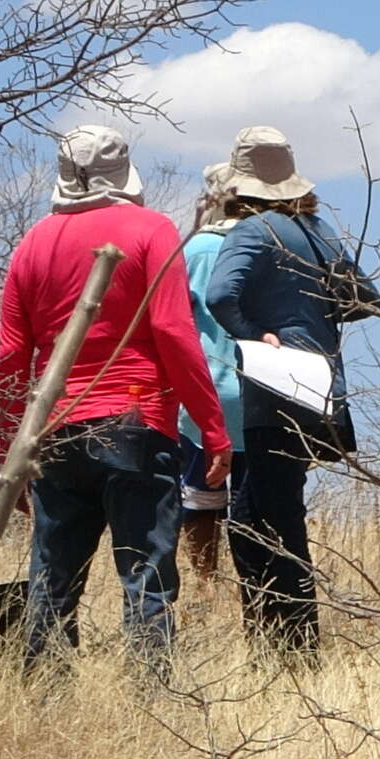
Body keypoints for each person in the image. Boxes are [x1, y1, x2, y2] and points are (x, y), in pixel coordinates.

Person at [0, 125, 230, 673]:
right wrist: (212, 428)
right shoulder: (150, 228)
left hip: (54, 427)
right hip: (135, 416)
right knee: (146, 574)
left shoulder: (33, 241)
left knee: (52, 577)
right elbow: (173, 331)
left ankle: (45, 702)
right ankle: (153, 698)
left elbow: (10, 357)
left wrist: (12, 448)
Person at [205, 126, 380, 654]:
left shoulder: (252, 231)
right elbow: (366, 299)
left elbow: (219, 296)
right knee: (254, 516)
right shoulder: (317, 228)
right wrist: (311, 320)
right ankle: (276, 639)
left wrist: (255, 335)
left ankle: (292, 644)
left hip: (275, 391)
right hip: (322, 389)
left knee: (271, 521)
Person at [177, 162, 247, 584]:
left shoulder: (196, 250)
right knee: (257, 503)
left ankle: (207, 585)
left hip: (206, 393)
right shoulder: (268, 243)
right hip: (262, 393)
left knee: (201, 500)